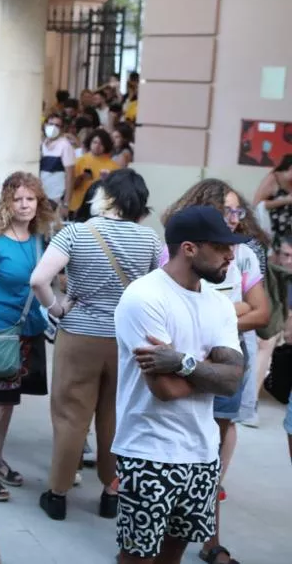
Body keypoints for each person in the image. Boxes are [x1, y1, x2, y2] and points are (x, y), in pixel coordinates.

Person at [112, 205, 246, 564]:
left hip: (203, 453)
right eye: (221, 246)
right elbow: (165, 390)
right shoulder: (144, 297)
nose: (231, 254)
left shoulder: (219, 304)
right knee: (138, 557)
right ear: (189, 248)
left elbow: (234, 380)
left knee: (173, 555)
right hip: (149, 452)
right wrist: (211, 372)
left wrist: (183, 362)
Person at [29, 169, 161, 520]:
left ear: (105, 196)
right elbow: (159, 291)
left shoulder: (76, 232)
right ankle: (110, 493)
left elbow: (39, 280)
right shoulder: (150, 240)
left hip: (79, 337)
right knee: (115, 417)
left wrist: (56, 308)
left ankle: (57, 494)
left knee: (71, 416)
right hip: (126, 341)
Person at [0, 172, 55, 502]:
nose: (24, 205)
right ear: (7, 202)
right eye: (17, 199)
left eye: (29, 199)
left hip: (27, 328)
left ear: (38, 202)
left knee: (10, 399)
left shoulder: (37, 238)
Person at [69, 129, 119, 216]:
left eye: (101, 143)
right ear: (90, 143)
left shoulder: (113, 166)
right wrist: (81, 177)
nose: (97, 146)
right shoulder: (80, 161)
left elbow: (116, 190)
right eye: (94, 142)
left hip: (100, 208)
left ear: (106, 146)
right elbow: (71, 186)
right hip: (78, 206)